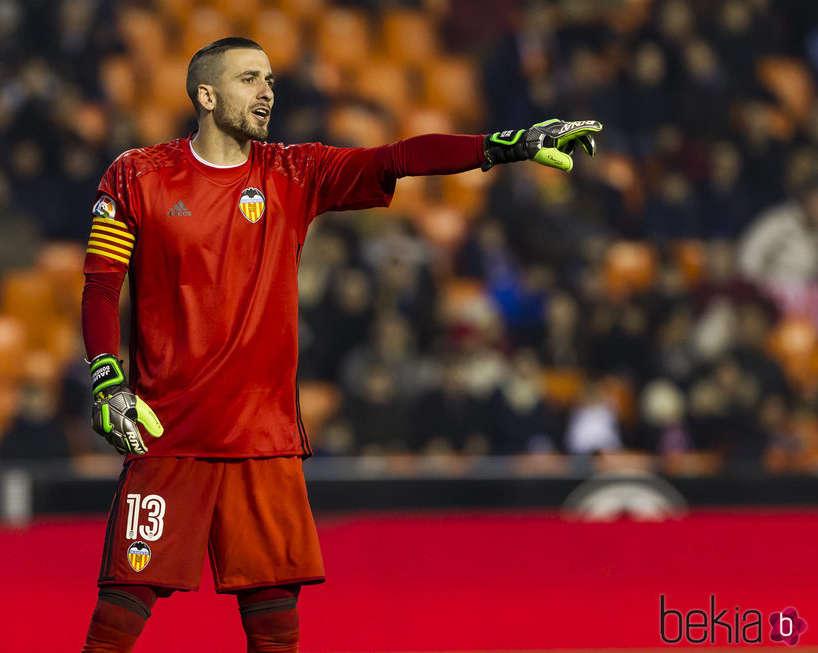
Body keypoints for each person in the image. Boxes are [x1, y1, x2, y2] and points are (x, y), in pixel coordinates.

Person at [78, 37, 602, 652]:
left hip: (262, 438)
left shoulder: (292, 172)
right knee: (118, 618)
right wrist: (108, 382)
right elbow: (100, 286)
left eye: (270, 78)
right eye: (250, 79)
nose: (267, 91)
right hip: (167, 432)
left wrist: (504, 145)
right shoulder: (136, 175)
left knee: (274, 620)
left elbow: (397, 157)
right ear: (206, 94)